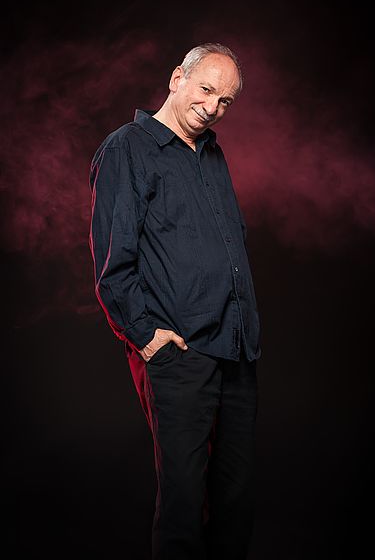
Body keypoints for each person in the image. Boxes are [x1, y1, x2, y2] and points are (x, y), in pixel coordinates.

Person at [89, 43, 262, 560]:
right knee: (184, 505)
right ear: (176, 79)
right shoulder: (126, 149)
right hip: (178, 352)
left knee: (235, 502)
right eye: (206, 90)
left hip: (235, 350)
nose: (213, 108)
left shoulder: (211, 153)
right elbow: (112, 265)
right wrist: (147, 337)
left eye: (226, 101)